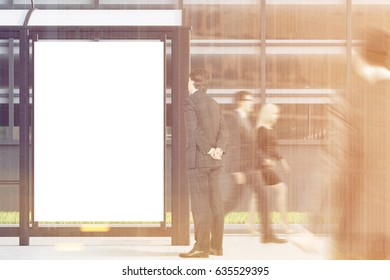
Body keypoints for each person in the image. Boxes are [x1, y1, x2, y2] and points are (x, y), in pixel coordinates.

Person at [327, 26, 390, 259]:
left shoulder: (350, 99)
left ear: (361, 57)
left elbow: (337, 163)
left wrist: (313, 225)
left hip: (356, 226)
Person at [179, 68, 228, 258]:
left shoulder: (190, 101)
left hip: (199, 162)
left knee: (200, 205)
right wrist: (218, 150)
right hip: (215, 163)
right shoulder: (215, 103)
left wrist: (208, 149)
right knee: (216, 205)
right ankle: (217, 247)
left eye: (188, 81)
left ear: (193, 82)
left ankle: (201, 247)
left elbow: (193, 130)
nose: (187, 84)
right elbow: (225, 131)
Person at [223, 91, 258, 233]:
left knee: (238, 198)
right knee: (234, 200)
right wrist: (236, 170)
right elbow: (234, 145)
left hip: (247, 166)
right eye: (249, 100)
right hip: (240, 168)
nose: (252, 102)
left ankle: (251, 224)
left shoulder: (245, 118)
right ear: (240, 102)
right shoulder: (235, 119)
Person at [256, 103, 289, 243]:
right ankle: (283, 223)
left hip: (266, 166)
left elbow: (272, 149)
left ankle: (250, 223)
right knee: (282, 189)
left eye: (278, 113)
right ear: (268, 114)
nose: (277, 116)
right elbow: (256, 149)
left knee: (257, 195)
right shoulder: (262, 130)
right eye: (275, 113)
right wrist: (266, 160)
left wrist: (282, 160)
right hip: (263, 167)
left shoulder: (269, 129)